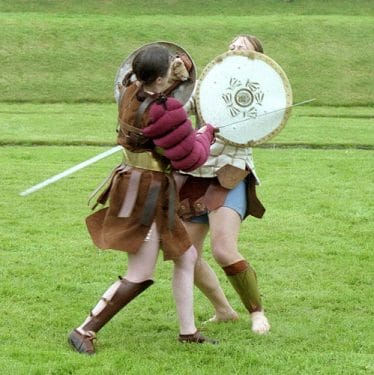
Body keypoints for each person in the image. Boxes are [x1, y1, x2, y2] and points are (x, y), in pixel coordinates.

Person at [68, 44, 218, 355]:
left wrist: (180, 66)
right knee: (140, 273)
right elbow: (192, 158)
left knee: (186, 257)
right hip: (146, 192)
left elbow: (159, 85)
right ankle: (84, 330)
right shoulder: (164, 111)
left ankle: (188, 332)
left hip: (141, 184)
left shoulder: (130, 88)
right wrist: (207, 132)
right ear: (161, 80)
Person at [179, 35, 270, 334]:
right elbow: (183, 108)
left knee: (223, 250)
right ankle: (224, 310)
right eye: (231, 44)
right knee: (185, 253)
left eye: (242, 46)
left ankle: (257, 313)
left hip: (229, 174)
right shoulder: (209, 82)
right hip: (196, 174)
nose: (233, 48)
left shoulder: (260, 93)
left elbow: (256, 127)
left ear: (257, 58)